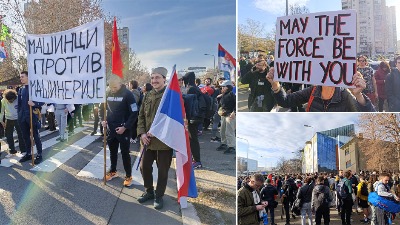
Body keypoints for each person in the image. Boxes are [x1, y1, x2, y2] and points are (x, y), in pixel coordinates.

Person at [137, 67, 173, 210]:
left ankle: (159, 195)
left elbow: (172, 121)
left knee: (163, 171)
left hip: (164, 143)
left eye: (157, 77)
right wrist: (142, 134)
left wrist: (157, 132)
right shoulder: (147, 95)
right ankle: (149, 191)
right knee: (143, 167)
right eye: (152, 78)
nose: (154, 80)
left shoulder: (170, 96)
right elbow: (141, 116)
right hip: (147, 141)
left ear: (164, 79)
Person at [266, 67, 376, 112]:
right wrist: (275, 85)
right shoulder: (313, 91)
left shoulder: (345, 95)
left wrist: (359, 96)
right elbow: (286, 101)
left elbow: (369, 116)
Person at [100, 77, 138, 187]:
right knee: (112, 151)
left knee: (125, 153)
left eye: (115, 87)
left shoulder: (128, 94)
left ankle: (128, 175)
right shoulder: (107, 92)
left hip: (123, 129)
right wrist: (103, 119)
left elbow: (134, 112)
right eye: (110, 87)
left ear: (120, 84)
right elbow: (102, 108)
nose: (112, 89)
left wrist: (125, 127)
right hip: (111, 128)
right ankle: (113, 171)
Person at [18, 71, 44, 164]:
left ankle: (39, 154)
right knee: (25, 136)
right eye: (20, 77)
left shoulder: (34, 88)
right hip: (23, 117)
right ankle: (28, 153)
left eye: (22, 77)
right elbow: (19, 104)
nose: (21, 78)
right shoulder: (20, 89)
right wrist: (19, 115)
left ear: (28, 77)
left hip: (32, 115)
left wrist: (35, 104)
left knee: (36, 136)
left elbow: (43, 100)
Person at [182, 71, 203, 168]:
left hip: (192, 118)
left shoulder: (190, 89)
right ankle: (195, 158)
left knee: (193, 139)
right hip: (195, 117)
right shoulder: (195, 88)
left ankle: (197, 160)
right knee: (192, 138)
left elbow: (188, 105)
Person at [0, 89, 26, 154]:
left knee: (21, 134)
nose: (10, 101)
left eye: (11, 100)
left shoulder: (18, 99)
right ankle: (12, 149)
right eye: (8, 100)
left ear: (14, 97)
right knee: (8, 135)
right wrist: (1, 121)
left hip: (18, 119)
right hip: (8, 119)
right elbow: (1, 111)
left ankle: (23, 149)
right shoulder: (3, 101)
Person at [215, 80, 236, 154]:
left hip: (230, 115)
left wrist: (234, 112)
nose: (222, 88)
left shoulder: (231, 94)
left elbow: (235, 104)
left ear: (227, 87)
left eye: (223, 87)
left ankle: (232, 147)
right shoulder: (224, 95)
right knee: (222, 131)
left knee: (229, 131)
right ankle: (224, 143)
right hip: (224, 115)